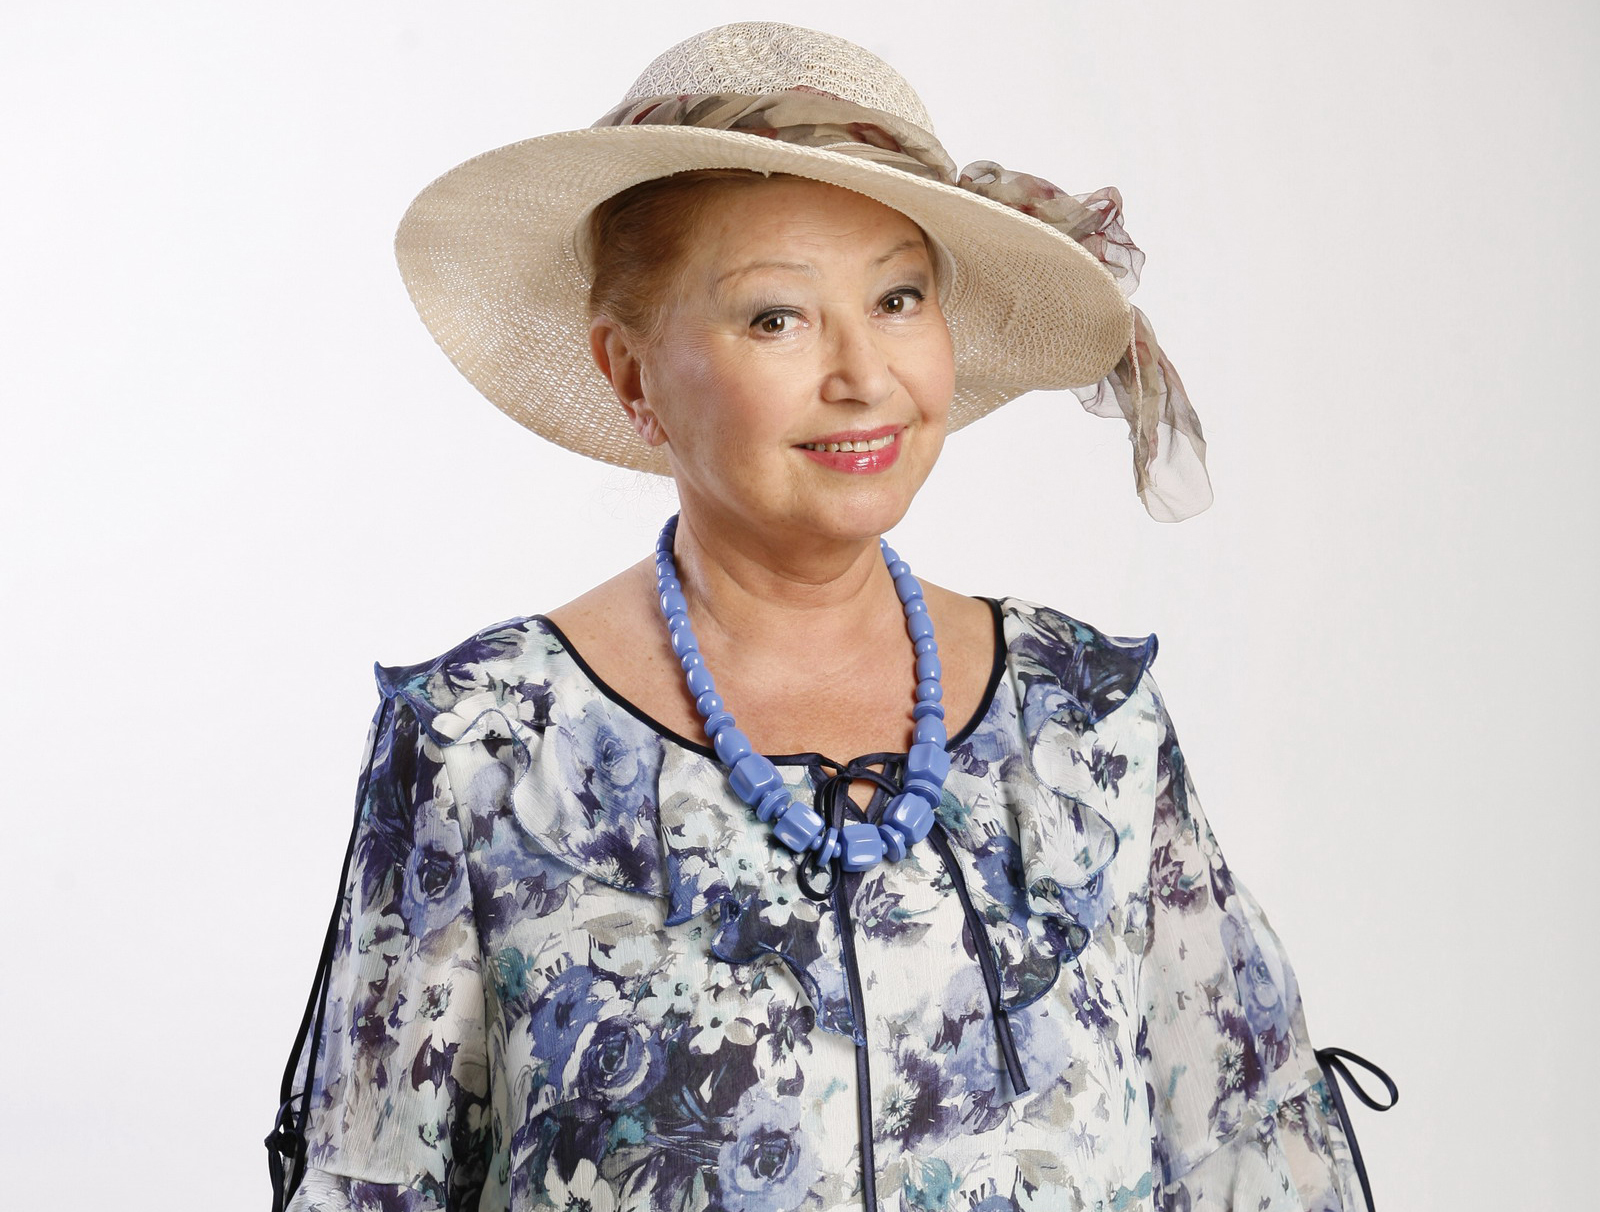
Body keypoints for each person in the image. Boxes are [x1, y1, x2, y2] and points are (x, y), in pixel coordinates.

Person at [265, 21, 1395, 1212]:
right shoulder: (486, 744)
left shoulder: (1085, 720)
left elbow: (1248, 1159)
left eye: (898, 298)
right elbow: (372, 1185)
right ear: (631, 372)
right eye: (776, 318)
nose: (862, 375)